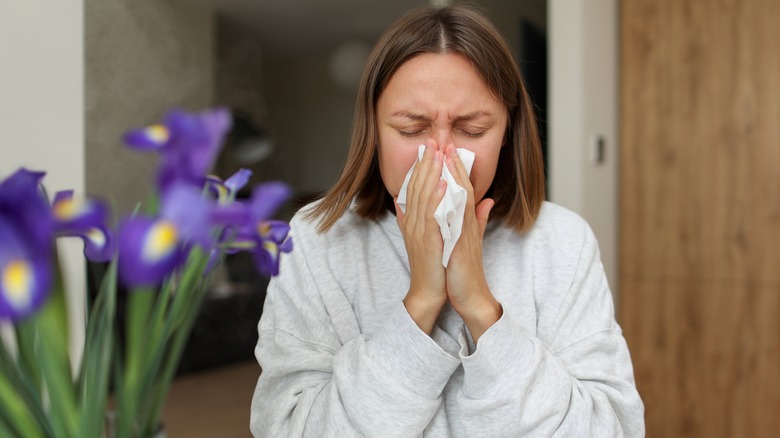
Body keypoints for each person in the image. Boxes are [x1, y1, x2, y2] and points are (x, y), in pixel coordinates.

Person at [250, 4, 644, 437]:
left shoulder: (563, 241)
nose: (441, 158)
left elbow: (613, 428)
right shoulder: (317, 239)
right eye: (411, 128)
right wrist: (420, 301)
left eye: (472, 129)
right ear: (374, 131)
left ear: (507, 133)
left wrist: (479, 306)